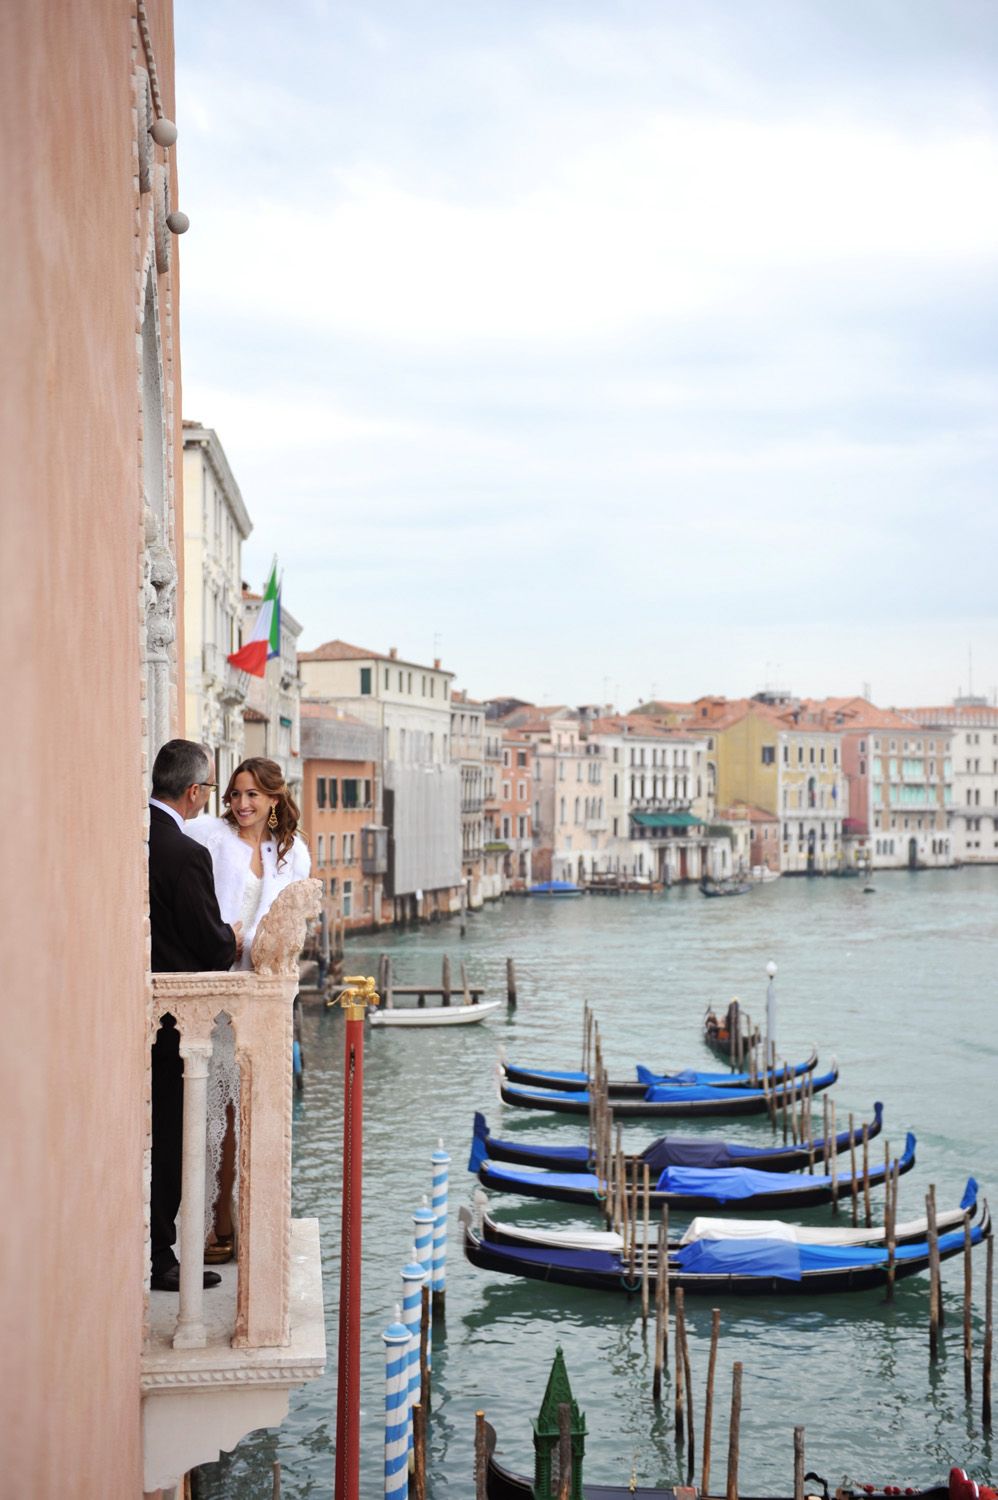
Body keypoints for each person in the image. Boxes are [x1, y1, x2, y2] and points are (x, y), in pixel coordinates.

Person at [184, 757, 311, 1258]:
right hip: (215, 989)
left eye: (253, 795)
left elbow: (294, 920)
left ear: (275, 800)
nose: (241, 804)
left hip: (265, 995)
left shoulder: (292, 852)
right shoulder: (210, 837)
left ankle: (251, 1213)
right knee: (217, 1110)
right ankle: (215, 1215)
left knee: (260, 1109)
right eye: (235, 794)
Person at [148, 739, 243, 1293]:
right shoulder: (187, 853)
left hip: (144, 1011)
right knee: (173, 1141)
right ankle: (161, 1259)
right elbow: (211, 948)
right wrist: (230, 938)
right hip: (176, 1027)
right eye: (208, 788)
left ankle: (156, 1249)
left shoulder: (135, 835)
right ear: (193, 791)